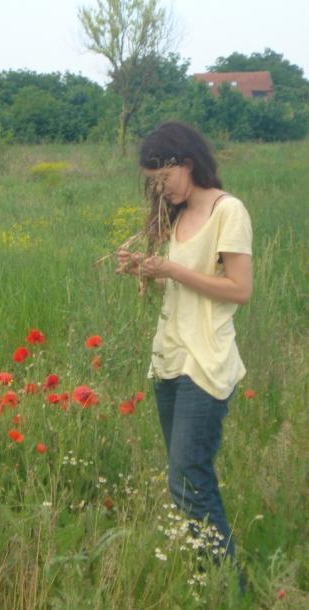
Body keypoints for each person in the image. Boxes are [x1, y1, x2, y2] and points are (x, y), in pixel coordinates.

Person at [117, 121, 253, 570]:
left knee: (186, 479)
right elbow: (180, 284)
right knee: (187, 480)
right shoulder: (175, 215)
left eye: (164, 178)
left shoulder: (227, 211)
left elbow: (238, 289)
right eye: (152, 181)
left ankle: (229, 587)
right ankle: (207, 579)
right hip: (169, 359)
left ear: (187, 163)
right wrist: (144, 268)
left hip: (206, 361)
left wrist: (173, 271)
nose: (159, 188)